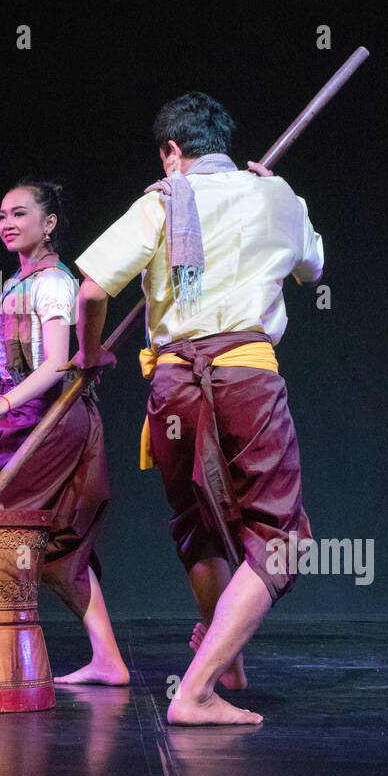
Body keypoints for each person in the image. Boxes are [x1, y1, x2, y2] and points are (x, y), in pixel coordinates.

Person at [73, 92, 323, 724]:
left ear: (172, 151)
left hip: (175, 384)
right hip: (246, 374)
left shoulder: (164, 199)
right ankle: (197, 690)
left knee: (199, 523)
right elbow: (312, 271)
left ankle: (223, 664)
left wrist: (90, 353)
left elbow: (95, 286)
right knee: (281, 539)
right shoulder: (277, 195)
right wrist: (277, 196)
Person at [0, 179, 128, 684]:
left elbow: (57, 363)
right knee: (56, 551)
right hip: (28, 416)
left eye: (19, 214)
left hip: (51, 418)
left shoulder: (55, 283)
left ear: (49, 223)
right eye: (1, 216)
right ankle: (108, 659)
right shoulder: (18, 286)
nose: (7, 224)